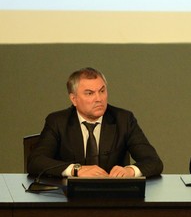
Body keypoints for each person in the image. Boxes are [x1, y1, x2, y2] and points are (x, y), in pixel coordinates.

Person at [28, 67, 163, 178]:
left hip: (114, 199)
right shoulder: (58, 122)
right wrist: (76, 170)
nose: (99, 99)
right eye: (89, 93)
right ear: (74, 99)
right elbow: (35, 162)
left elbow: (154, 162)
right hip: (69, 199)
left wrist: (130, 171)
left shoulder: (123, 119)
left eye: (102, 91)